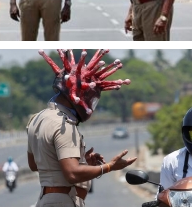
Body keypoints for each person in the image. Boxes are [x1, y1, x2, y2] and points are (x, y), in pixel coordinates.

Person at [27, 49, 136, 207]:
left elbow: (34, 164)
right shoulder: (63, 125)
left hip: (46, 199)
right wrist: (108, 167)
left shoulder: (36, 119)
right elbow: (72, 173)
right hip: (61, 202)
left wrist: (82, 163)